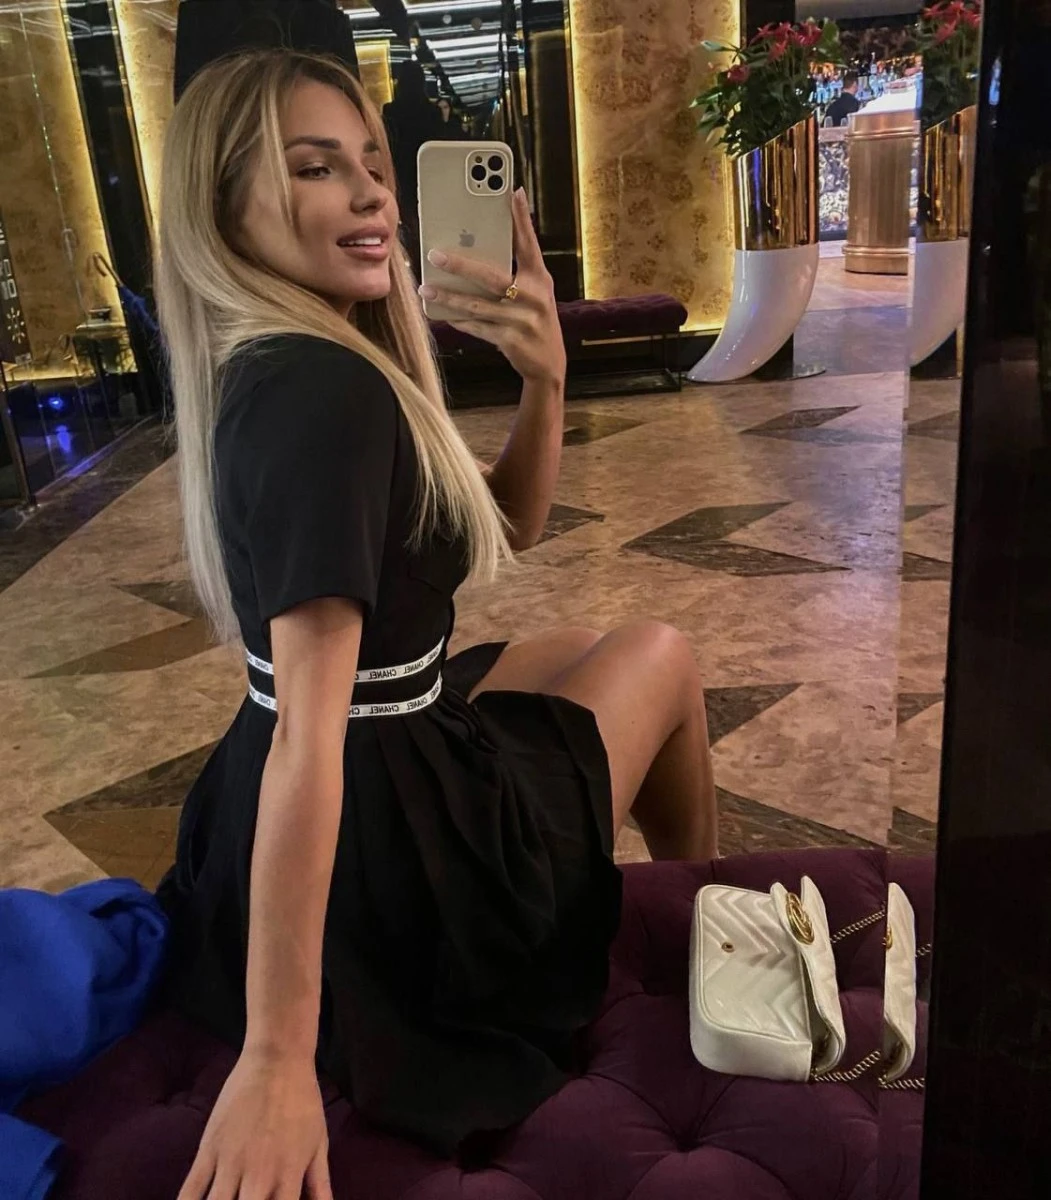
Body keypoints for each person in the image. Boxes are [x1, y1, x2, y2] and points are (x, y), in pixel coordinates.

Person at [155, 48, 717, 1200]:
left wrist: (544, 382)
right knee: (660, 655)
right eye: (316, 168)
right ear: (223, 205)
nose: (371, 195)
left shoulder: (291, 359)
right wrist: (276, 1056)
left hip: (305, 768)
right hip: (390, 862)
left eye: (373, 163)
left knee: (571, 650)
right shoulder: (324, 392)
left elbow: (501, 529)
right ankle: (706, 921)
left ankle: (689, 910)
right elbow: (313, 738)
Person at [382, 59, 445, 272]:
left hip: (402, 175)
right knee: (432, 223)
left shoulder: (391, 111)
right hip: (429, 174)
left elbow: (389, 146)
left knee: (410, 225)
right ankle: (434, 263)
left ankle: (417, 267)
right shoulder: (432, 112)